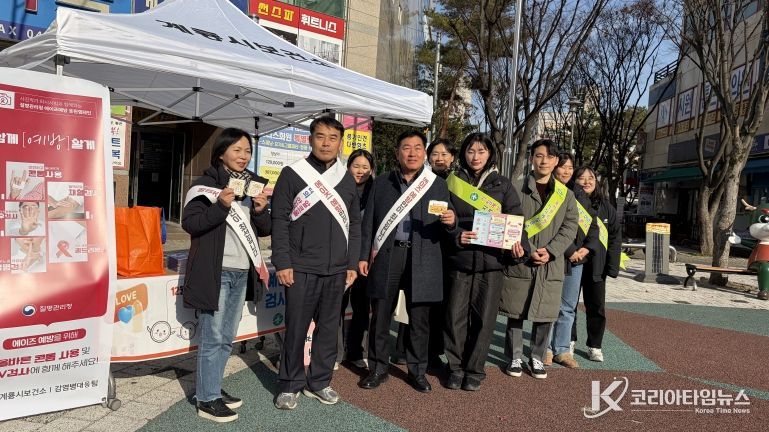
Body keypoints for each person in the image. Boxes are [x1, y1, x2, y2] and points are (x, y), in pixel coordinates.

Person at [182, 128, 272, 423]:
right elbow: (191, 224)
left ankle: (212, 388)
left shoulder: (253, 185)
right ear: (221, 153)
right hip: (216, 271)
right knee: (213, 336)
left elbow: (264, 229)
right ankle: (206, 399)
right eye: (237, 150)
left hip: (242, 271)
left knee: (226, 338)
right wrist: (221, 206)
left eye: (247, 151)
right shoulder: (205, 185)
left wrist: (260, 211)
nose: (243, 156)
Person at [271, 116, 361, 410]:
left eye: (332, 138)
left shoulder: (346, 178)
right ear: (310, 139)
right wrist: (283, 261)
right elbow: (279, 219)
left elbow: (355, 225)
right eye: (320, 136)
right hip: (300, 267)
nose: (326, 143)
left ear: (340, 143)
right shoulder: (292, 174)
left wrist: (351, 263)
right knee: (296, 329)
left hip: (337, 270)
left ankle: (320, 381)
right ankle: (289, 384)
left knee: (328, 329)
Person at [358, 130, 457, 393]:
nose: (412, 153)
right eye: (406, 148)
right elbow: (368, 223)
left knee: (419, 319)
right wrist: (363, 256)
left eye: (417, 148)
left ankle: (417, 371)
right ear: (397, 153)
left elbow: (448, 223)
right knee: (381, 315)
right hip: (388, 255)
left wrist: (452, 222)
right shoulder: (382, 182)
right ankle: (378, 368)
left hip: (423, 256)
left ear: (424, 153)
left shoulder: (436, 184)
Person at [443, 133, 525, 391]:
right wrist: (455, 233)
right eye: (470, 151)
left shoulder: (503, 185)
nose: (475, 157)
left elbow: (516, 219)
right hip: (460, 260)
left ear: (490, 154)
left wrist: (519, 245)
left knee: (485, 319)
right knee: (454, 317)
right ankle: (455, 367)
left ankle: (475, 369)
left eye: (481, 151)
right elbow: (442, 218)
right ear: (463, 154)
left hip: (491, 263)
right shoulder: (452, 182)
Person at [500, 139, 578, 379]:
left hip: (550, 262)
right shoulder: (516, 188)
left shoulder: (566, 195)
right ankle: (514, 356)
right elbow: (510, 220)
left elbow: (570, 227)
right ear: (532, 159)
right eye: (538, 155)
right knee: (516, 311)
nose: (543, 161)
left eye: (549, 157)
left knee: (545, 313)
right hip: (522, 257)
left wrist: (551, 250)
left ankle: (537, 356)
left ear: (556, 161)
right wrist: (529, 248)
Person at [393, 138, 458, 368]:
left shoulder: (456, 182)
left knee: (434, 307)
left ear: (452, 157)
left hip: (444, 252)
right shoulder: (419, 179)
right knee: (410, 303)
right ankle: (403, 348)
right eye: (435, 154)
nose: (440, 158)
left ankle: (431, 351)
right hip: (418, 248)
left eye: (445, 154)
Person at [545, 153, 599, 369]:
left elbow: (593, 225)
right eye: (562, 167)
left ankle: (562, 350)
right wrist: (570, 250)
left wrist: (586, 248)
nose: (566, 171)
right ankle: (545, 349)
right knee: (549, 305)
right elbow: (549, 228)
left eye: (570, 167)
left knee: (568, 306)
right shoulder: (549, 190)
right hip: (555, 256)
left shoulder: (579, 193)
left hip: (578, 259)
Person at [572, 166, 621, 362]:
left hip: (597, 266)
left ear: (596, 182)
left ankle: (595, 345)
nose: (586, 181)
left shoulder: (607, 207)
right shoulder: (569, 202)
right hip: (573, 262)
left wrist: (612, 266)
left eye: (590, 178)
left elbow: (615, 238)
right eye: (581, 178)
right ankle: (568, 340)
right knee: (569, 305)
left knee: (597, 307)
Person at [337, 149, 375, 370]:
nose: (360, 171)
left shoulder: (376, 192)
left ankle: (356, 352)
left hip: (364, 260)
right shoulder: (338, 187)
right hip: (340, 256)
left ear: (371, 170)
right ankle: (334, 353)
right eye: (356, 166)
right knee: (337, 306)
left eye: (365, 167)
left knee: (361, 306)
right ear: (348, 167)